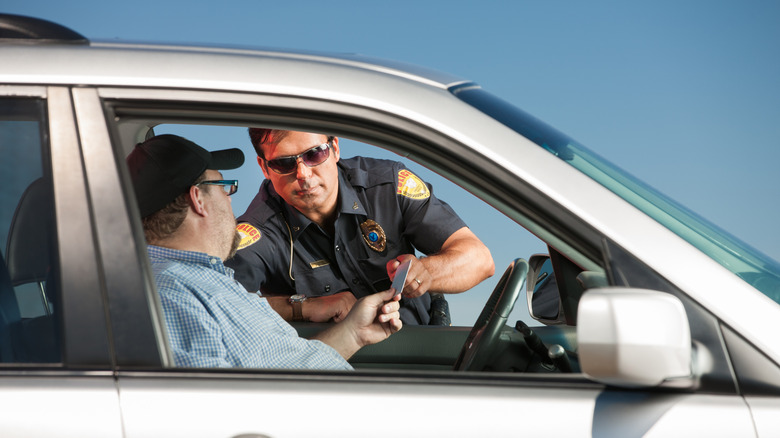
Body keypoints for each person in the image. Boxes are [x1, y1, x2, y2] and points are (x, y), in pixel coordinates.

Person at [126, 134, 402, 369]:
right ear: (198, 199)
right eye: (224, 186)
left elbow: (284, 368)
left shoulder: (205, 283)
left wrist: (355, 334)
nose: (230, 199)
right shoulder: (171, 297)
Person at [226, 129, 495, 325]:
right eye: (284, 163)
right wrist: (305, 308)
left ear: (335, 148)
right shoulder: (256, 231)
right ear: (264, 167)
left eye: (314, 154)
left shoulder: (389, 186)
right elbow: (216, 303)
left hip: (419, 354)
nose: (303, 175)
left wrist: (427, 273)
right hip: (327, 376)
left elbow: (480, 260)